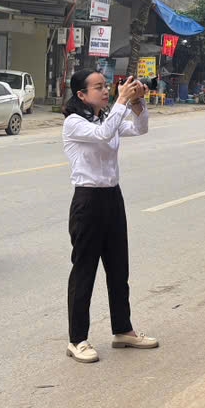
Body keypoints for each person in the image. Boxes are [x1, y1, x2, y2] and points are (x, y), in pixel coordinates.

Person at [63, 71, 159, 363]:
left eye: (107, 86)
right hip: (88, 201)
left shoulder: (106, 118)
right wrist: (121, 101)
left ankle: (123, 330)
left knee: (119, 269)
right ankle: (77, 339)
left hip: (112, 197)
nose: (105, 91)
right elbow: (104, 135)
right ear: (81, 94)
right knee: (84, 272)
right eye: (99, 87)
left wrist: (138, 103)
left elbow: (140, 128)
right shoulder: (74, 123)